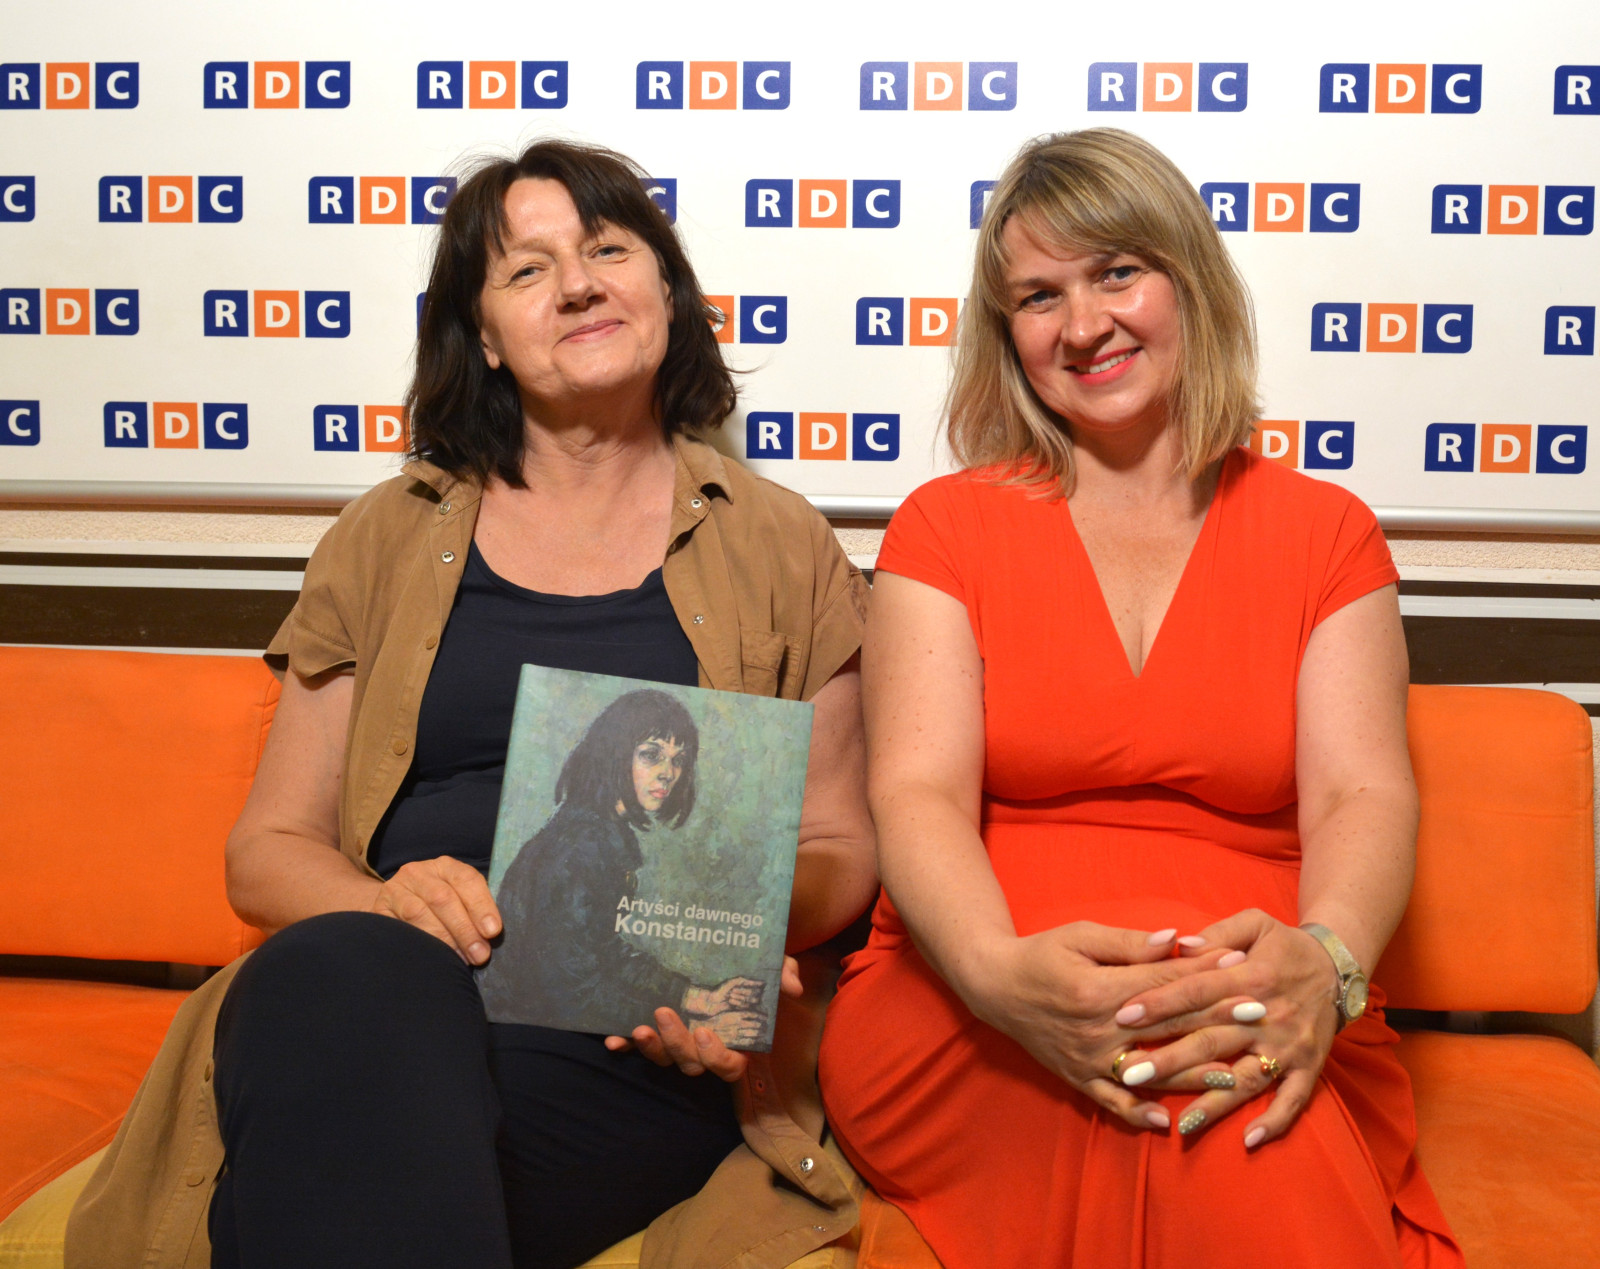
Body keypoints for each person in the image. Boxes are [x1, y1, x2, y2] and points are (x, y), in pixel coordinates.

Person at [66, 140, 876, 1269]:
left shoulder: (782, 543)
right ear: (485, 336)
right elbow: (267, 851)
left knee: (313, 1181)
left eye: (607, 249)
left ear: (665, 290)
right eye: (528, 269)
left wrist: (721, 927)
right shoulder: (384, 535)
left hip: (627, 1035)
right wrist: (387, 902)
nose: (579, 284)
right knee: (346, 977)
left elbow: (841, 844)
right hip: (368, 993)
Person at [818, 129, 1465, 1268]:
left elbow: (1361, 795)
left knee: (1227, 1111)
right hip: (970, 1000)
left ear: (1187, 279)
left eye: (1116, 272)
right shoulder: (944, 527)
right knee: (1188, 1114)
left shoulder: (1328, 533)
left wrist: (1326, 964)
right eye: (1038, 295)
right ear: (1006, 331)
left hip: (1250, 999)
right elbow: (915, 793)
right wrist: (998, 977)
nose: (1081, 325)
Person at [479, 688, 769, 1045]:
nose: (668, 773)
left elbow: (605, 952)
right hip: (522, 1036)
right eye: (651, 755)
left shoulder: (602, 835)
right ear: (613, 753)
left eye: (678, 759)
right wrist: (693, 1029)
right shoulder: (577, 848)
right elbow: (572, 992)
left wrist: (698, 998)